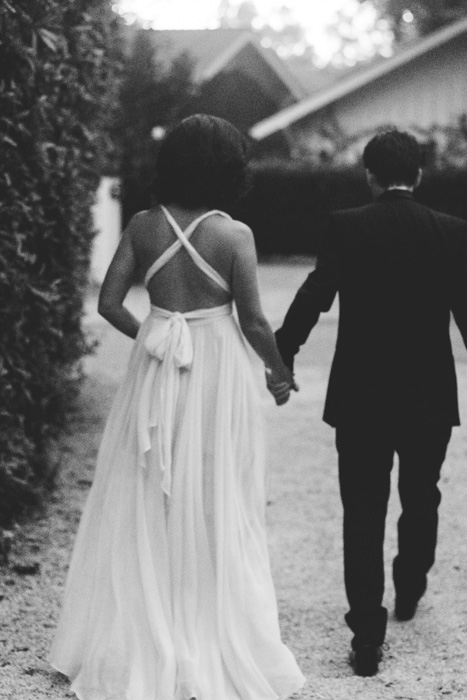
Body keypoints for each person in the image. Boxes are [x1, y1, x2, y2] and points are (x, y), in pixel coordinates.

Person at [49, 114, 305, 700]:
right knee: (216, 490)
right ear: (228, 168)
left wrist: (156, 334)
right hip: (217, 366)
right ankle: (209, 624)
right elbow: (254, 321)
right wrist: (278, 371)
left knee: (146, 487)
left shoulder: (143, 226)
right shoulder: (234, 234)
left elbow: (110, 303)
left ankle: (142, 624)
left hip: (157, 361)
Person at [274, 129, 467, 677]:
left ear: (368, 174)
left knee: (362, 509)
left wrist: (283, 353)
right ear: (421, 175)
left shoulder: (346, 226)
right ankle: (410, 585)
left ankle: (365, 633)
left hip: (361, 393)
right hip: (429, 393)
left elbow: (315, 294)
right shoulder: (452, 233)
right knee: (421, 492)